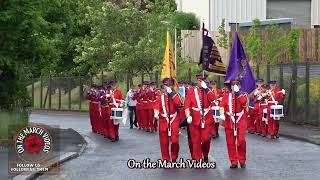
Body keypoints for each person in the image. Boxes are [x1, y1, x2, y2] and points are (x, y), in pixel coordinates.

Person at [184, 73, 216, 162]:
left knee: (206, 139)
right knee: (196, 140)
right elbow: (187, 105)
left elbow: (213, 98)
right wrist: (188, 115)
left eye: (203, 80)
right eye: (200, 81)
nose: (201, 82)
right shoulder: (191, 91)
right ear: (197, 81)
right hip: (194, 118)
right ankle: (197, 158)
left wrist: (206, 88)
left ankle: (205, 153)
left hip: (207, 118)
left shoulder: (208, 90)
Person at [219, 79, 248, 168]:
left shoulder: (243, 95)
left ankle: (242, 160)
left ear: (240, 86)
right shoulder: (226, 96)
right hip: (229, 121)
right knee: (230, 143)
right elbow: (222, 106)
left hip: (240, 121)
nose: (234, 85)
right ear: (230, 86)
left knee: (241, 141)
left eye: (237, 84)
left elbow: (244, 103)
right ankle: (233, 161)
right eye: (233, 84)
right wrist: (221, 113)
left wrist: (238, 93)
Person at [154, 78, 181, 162]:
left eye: (169, 85)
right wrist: (156, 113)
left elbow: (178, 103)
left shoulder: (176, 95)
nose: (167, 87)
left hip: (173, 120)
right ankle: (166, 159)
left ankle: (174, 157)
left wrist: (171, 93)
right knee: (164, 142)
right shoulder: (160, 97)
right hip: (163, 120)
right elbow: (156, 106)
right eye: (166, 85)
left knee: (175, 141)